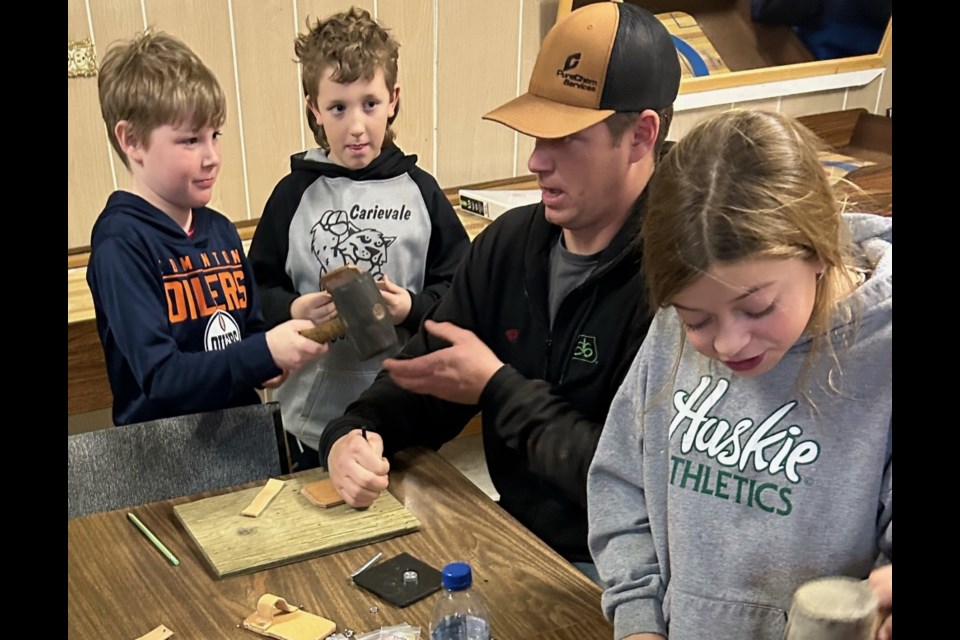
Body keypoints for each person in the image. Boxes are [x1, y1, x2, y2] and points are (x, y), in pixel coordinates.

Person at [318, 1, 682, 569]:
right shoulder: (510, 243)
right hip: (513, 541)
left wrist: (495, 387)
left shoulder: (684, 278)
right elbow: (424, 378)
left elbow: (630, 483)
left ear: (641, 135)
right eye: (537, 134)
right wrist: (352, 435)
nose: (536, 160)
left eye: (565, 140)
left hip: (633, 576)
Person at [587, 109, 892, 640]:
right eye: (695, 319)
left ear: (818, 251)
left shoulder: (881, 354)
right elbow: (621, 482)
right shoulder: (672, 324)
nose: (727, 343)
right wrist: (638, 620)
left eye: (757, 309)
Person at [248, 7, 470, 471]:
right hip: (310, 425)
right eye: (338, 107)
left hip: (402, 419)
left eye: (369, 103)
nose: (355, 126)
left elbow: (462, 294)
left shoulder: (422, 193)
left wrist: (409, 307)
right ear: (314, 108)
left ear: (393, 98)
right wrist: (292, 309)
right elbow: (254, 294)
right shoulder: (293, 196)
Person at [89, 29, 327, 426]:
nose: (212, 156)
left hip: (244, 441)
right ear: (131, 140)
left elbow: (248, 333)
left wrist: (273, 351)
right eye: (189, 141)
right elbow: (163, 377)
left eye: (214, 136)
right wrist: (264, 353)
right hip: (168, 460)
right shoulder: (121, 245)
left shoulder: (221, 232)